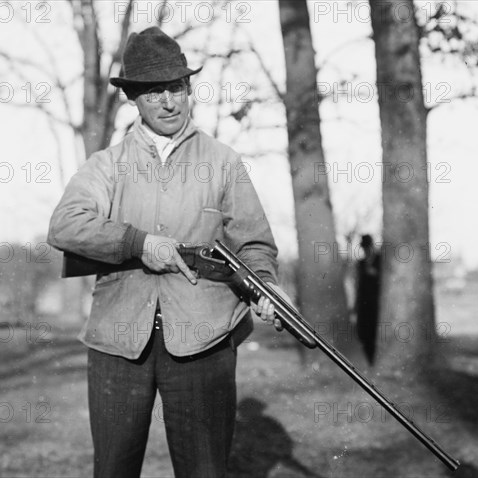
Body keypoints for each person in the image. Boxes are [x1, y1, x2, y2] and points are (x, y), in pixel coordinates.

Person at [47, 27, 294, 478]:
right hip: (117, 344)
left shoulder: (223, 162)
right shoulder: (106, 165)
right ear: (134, 99)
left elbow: (255, 244)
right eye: (154, 92)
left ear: (188, 89)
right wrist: (137, 244)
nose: (168, 102)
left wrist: (266, 286)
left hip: (205, 343)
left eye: (176, 88)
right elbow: (64, 225)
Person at [355, 234, 381, 365]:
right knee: (364, 333)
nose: (365, 250)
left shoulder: (379, 260)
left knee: (375, 331)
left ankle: (375, 359)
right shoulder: (360, 263)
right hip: (363, 305)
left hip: (376, 304)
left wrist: (374, 274)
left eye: (367, 247)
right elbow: (358, 286)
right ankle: (369, 359)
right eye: (364, 248)